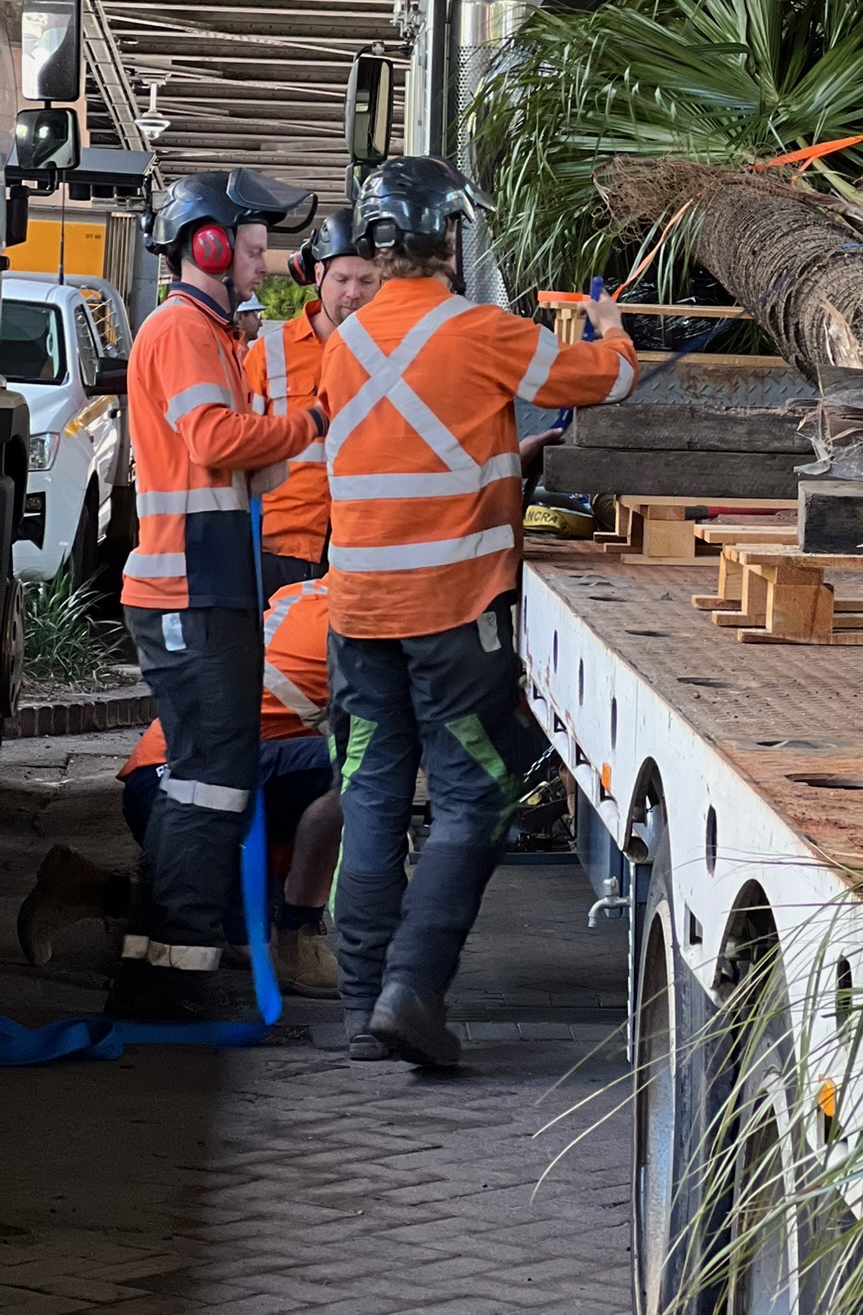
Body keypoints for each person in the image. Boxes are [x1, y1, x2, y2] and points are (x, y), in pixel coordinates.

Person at [320, 155, 637, 1067]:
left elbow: (411, 445)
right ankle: (412, 991)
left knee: (373, 794)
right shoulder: (483, 331)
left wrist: (501, 457)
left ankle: (359, 1008)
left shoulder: (344, 345)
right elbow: (605, 381)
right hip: (454, 612)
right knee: (473, 794)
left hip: (360, 613)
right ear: (441, 237)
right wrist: (611, 329)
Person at [112, 169, 326, 1022]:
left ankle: (164, 968)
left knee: (203, 776)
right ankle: (174, 980)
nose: (261, 259)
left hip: (199, 584)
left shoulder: (210, 333)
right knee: (208, 780)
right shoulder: (184, 334)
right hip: (188, 590)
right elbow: (214, 439)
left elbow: (242, 459)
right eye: (249, 244)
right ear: (205, 243)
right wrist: (311, 421)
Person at [18, 579, 340, 998]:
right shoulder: (361, 629)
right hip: (186, 789)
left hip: (173, 780)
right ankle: (290, 943)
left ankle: (86, 888)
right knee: (359, 768)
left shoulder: (310, 595)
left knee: (214, 918)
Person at [245, 208, 380, 606]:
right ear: (318, 275)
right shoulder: (269, 353)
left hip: (362, 550)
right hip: (281, 551)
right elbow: (240, 450)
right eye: (341, 279)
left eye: (366, 280)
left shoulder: (397, 353)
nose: (353, 292)